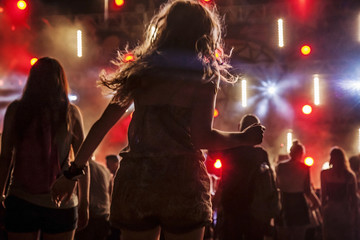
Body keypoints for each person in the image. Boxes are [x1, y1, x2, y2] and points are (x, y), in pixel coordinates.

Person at [50, 1, 265, 240]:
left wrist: (72, 174)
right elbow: (203, 137)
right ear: (204, 33)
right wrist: (244, 138)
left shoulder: (141, 72)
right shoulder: (203, 77)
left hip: (138, 181)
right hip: (182, 182)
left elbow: (102, 125)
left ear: (165, 29)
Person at [0, 57, 89, 240]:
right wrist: (84, 203)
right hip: (61, 202)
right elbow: (83, 160)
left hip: (21, 198)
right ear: (60, 80)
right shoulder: (70, 113)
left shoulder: (16, 110)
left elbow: (5, 158)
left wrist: (0, 194)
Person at [208, 114, 279, 240]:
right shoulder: (260, 154)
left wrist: (234, 139)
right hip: (254, 211)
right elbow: (270, 183)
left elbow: (211, 151)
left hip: (231, 207)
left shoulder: (229, 150)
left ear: (240, 128)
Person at [275, 140, 321, 240]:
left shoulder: (280, 166)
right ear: (301, 154)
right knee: (299, 236)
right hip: (299, 205)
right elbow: (307, 190)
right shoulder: (304, 168)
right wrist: (316, 203)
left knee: (283, 235)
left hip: (284, 203)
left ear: (290, 153)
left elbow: (277, 185)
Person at [321, 147, 358, 240]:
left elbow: (323, 195)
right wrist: (355, 213)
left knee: (331, 235)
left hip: (331, 209)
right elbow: (354, 196)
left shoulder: (324, 174)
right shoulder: (349, 175)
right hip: (344, 210)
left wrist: (323, 211)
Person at [75, 157, 112, 240]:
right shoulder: (105, 170)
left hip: (88, 216)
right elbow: (110, 195)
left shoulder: (78, 168)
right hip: (104, 216)